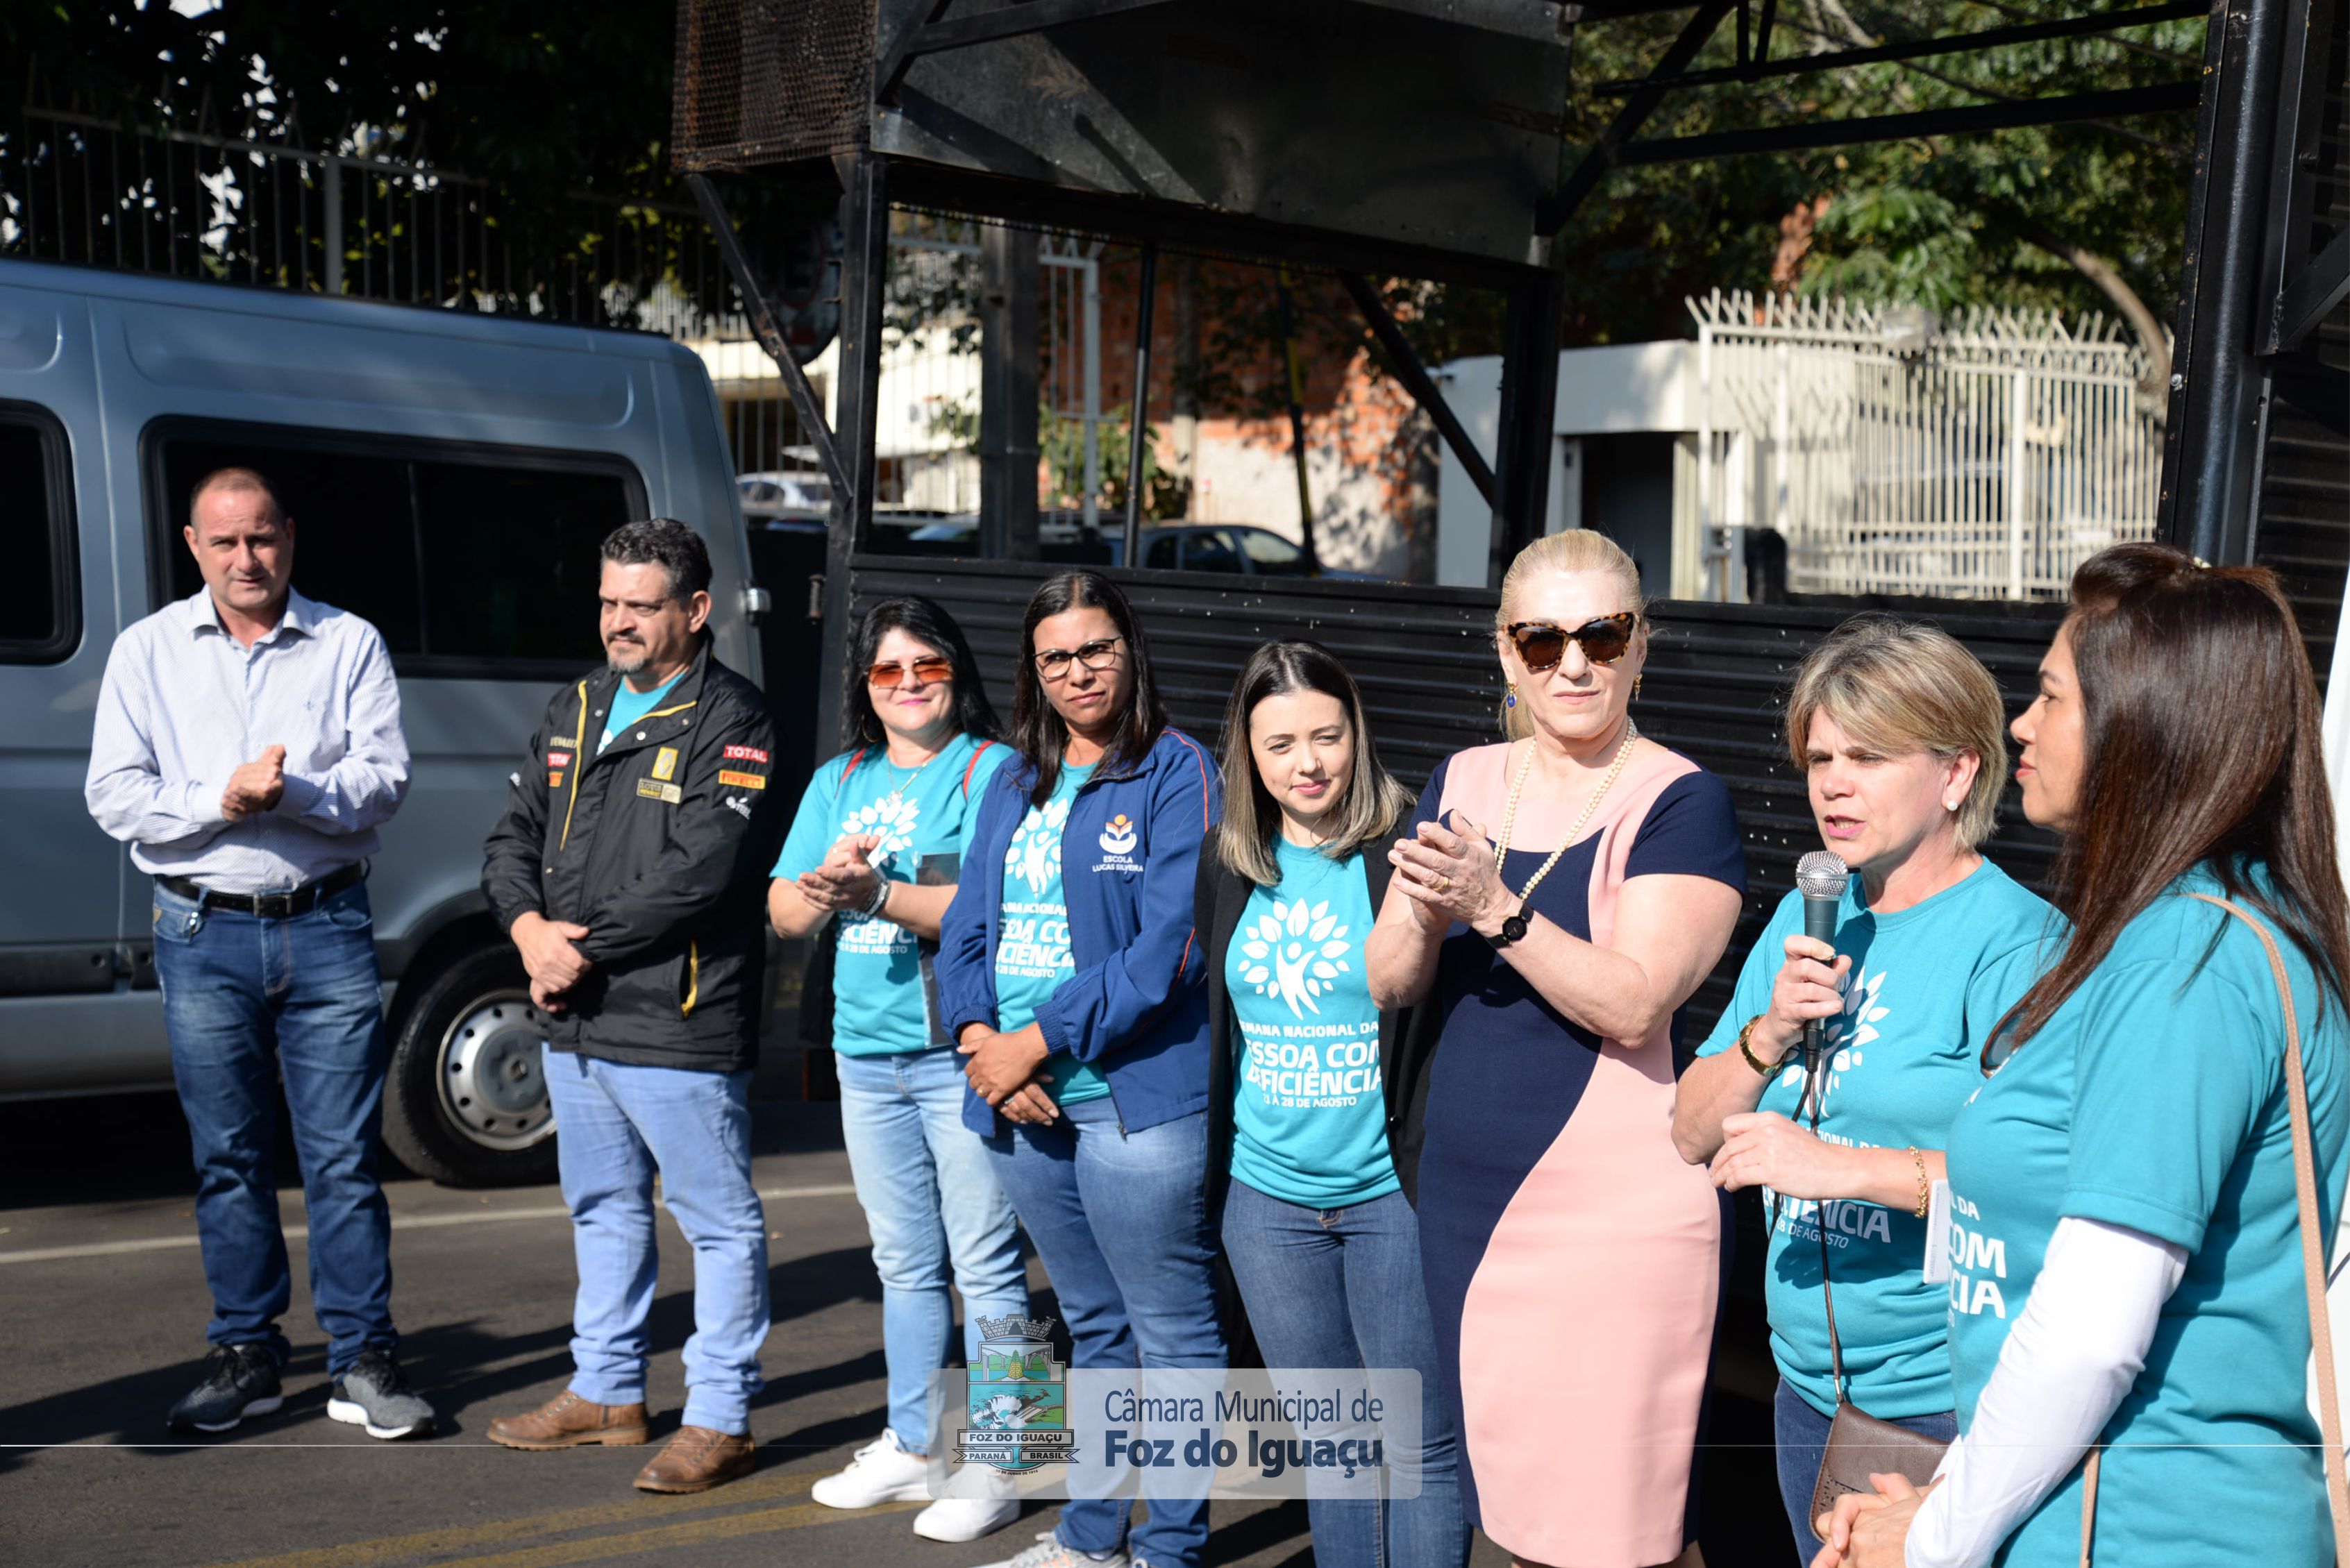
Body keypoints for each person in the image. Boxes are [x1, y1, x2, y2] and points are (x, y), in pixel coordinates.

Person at [1814, 543, 2350, 1568]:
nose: (2020, 724)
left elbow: (2092, 1329)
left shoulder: (2186, 961)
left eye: (2051, 696)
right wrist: (1950, 1497)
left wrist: (1933, 1540)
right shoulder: (2190, 934)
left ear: (2143, 723)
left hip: (2147, 1533)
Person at [1366, 528, 1746, 1568]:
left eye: (1600, 636)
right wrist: (1421, 908)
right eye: (1541, 641)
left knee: (1623, 1532)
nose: (1571, 664)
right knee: (1520, 1524)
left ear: (1640, 644)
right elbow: (1390, 982)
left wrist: (1490, 903)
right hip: (1470, 1205)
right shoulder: (1464, 776)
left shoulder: (1681, 798)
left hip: (1613, 1222)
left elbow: (1634, 1003)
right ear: (1505, 651)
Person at [1670, 617, 2056, 1562]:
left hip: (1940, 1404)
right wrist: (1768, 1034)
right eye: (1820, 758)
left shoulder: (2019, 945)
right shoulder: (1809, 915)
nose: (1832, 785)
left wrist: (1838, 1168)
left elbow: (2043, 1192)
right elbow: (1689, 1133)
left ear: (1957, 773)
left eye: (1869, 757)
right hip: (1805, 1387)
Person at [84, 466, 430, 1442]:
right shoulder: (146, 650)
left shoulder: (348, 641)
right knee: (228, 1159)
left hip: (327, 924)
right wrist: (220, 800)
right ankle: (247, 1355)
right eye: (226, 540)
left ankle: (363, 1358)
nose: (247, 558)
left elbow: (385, 779)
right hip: (202, 931)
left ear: (290, 537)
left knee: (343, 1160)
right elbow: (114, 794)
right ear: (193, 546)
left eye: (263, 536)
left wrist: (295, 794)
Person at [480, 519, 785, 1494]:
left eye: (640, 606)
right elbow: (512, 836)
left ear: (694, 609)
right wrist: (527, 929)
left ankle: (720, 1417)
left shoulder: (734, 718)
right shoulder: (578, 704)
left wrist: (573, 950)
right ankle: (607, 1393)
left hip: (676, 1018)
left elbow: (703, 872)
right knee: (603, 1208)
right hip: (577, 1017)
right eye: (609, 602)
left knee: (717, 1224)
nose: (617, 622)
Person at [937, 569, 1225, 1568]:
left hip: (1133, 1103)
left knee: (1172, 1336)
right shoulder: (1013, 778)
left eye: (1096, 649)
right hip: (1016, 1100)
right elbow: (967, 926)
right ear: (1033, 670)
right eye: (1055, 657)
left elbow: (1173, 948)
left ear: (1129, 649)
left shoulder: (1178, 771)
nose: (1078, 672)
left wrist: (1037, 1039)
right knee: (1095, 1325)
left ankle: (1172, 1551)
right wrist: (979, 1041)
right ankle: (1091, 1538)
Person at [1200, 640, 1469, 1568]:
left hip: (1390, 1196)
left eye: (1327, 736)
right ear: (1248, 753)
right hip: (1267, 1203)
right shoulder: (1230, 862)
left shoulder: (1406, 852)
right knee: (1335, 1449)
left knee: (1418, 1446)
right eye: (1280, 745)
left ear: (1358, 733)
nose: (1307, 764)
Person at [770, 597, 1027, 1544]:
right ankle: (917, 1445)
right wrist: (825, 882)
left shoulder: (993, 770)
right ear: (865, 686)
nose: (909, 682)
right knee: (905, 1263)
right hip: (866, 1054)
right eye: (888, 669)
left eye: (928, 664)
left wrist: (876, 892)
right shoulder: (839, 778)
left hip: (963, 1050)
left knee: (989, 1263)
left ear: (957, 672)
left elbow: (993, 904)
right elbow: (785, 915)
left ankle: (1011, 1459)